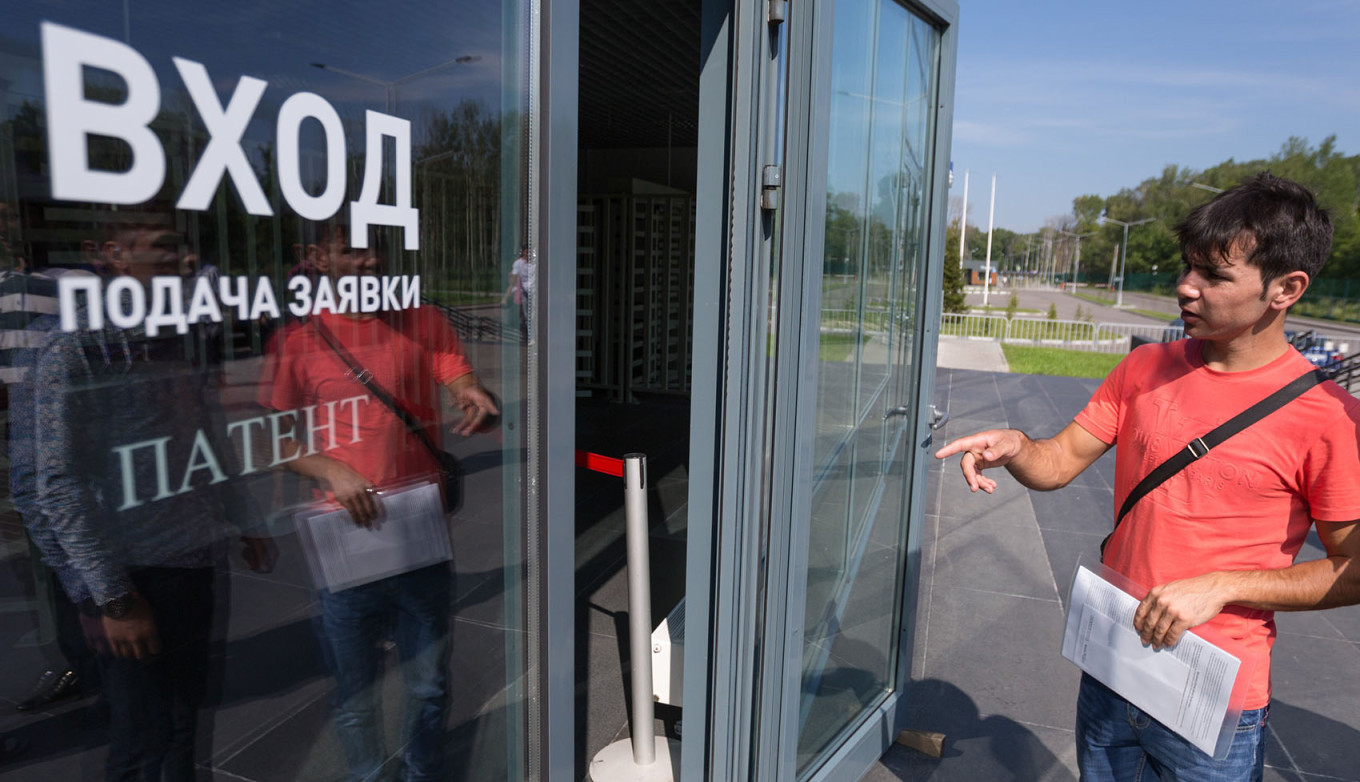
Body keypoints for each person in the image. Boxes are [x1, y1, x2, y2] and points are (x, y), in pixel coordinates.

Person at [935, 173, 1360, 782]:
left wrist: (1221, 585)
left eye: (1214, 276)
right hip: (1113, 657)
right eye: (1188, 267)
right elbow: (1057, 464)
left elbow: (1354, 568)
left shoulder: (1327, 420)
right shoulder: (1145, 366)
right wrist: (1018, 446)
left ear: (1286, 289)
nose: (1185, 288)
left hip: (1214, 691)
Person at [17, 222, 275, 781]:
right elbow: (53, 485)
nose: (185, 261)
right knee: (139, 742)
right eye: (165, 247)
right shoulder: (74, 345)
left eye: (189, 248)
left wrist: (245, 517)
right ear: (112, 255)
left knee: (182, 728)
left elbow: (205, 435)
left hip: (192, 558)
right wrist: (109, 597)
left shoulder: (176, 334)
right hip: (133, 577)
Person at [263, 221, 498, 782]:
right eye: (351, 251)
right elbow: (270, 438)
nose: (368, 262)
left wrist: (471, 392)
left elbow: (455, 370)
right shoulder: (299, 337)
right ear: (318, 258)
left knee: (428, 683)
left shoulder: (422, 318)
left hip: (419, 534)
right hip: (345, 541)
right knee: (356, 692)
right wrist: (323, 466)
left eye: (375, 250)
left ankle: (420, 773)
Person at [501, 245, 535, 343]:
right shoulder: (519, 264)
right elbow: (513, 282)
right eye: (525, 252)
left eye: (529, 252)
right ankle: (530, 337)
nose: (527, 255)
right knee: (527, 315)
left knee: (534, 314)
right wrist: (505, 298)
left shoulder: (536, 262)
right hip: (525, 292)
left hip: (536, 292)